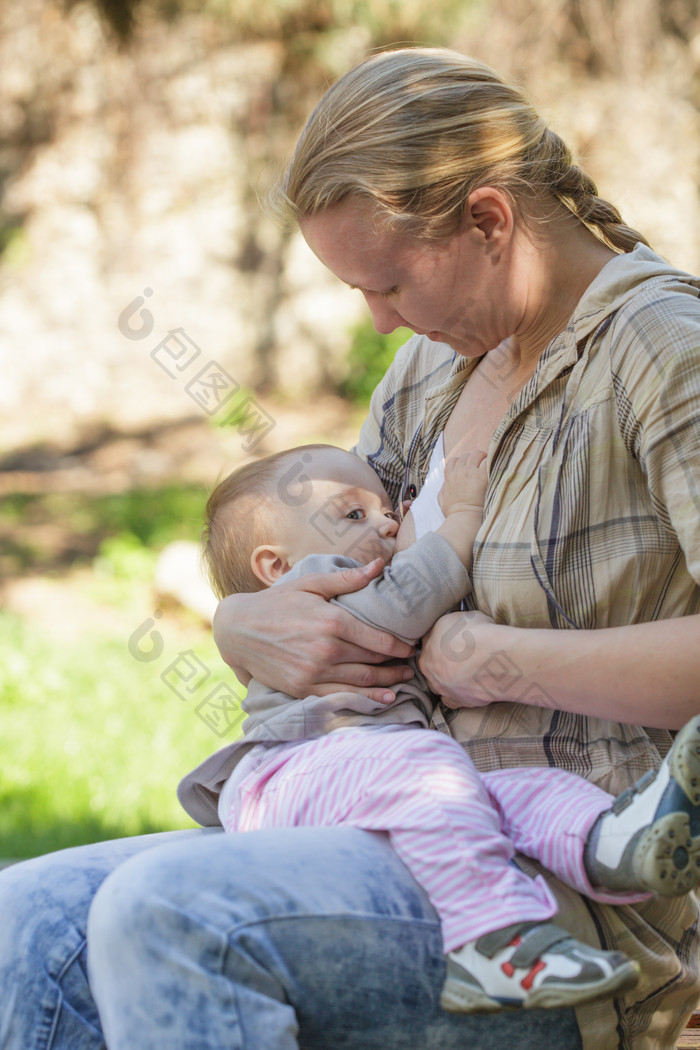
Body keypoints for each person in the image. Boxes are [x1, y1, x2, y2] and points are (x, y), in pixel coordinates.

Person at [1, 45, 699, 1050]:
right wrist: (240, 620)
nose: (375, 321)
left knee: (171, 915)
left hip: (557, 901)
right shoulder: (431, 369)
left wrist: (492, 660)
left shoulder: (663, 354)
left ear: (489, 221)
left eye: (387, 282)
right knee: (24, 923)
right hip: (369, 832)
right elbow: (323, 569)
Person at [180, 440, 700, 1013]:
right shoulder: (313, 587)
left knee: (516, 791)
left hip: (366, 772)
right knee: (436, 776)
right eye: (354, 515)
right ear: (274, 568)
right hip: (290, 771)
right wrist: (463, 519)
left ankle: (613, 842)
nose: (386, 521)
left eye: (387, 508)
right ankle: (488, 943)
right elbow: (402, 600)